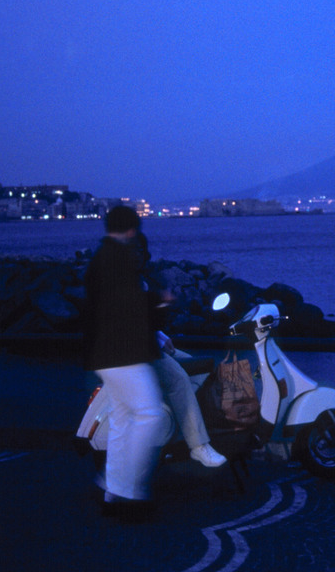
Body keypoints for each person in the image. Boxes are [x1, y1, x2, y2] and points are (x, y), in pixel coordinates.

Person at [81, 207, 222, 522]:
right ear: (131, 230)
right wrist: (159, 301)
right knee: (149, 413)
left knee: (121, 421)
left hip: (104, 356)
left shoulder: (100, 259)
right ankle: (127, 489)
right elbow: (130, 308)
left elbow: (102, 310)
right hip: (126, 355)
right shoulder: (119, 261)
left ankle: (112, 495)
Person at [132, 231, 226, 468]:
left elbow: (144, 318)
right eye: (134, 251)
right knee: (179, 379)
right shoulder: (124, 281)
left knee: (202, 369)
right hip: (136, 351)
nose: (138, 255)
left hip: (147, 344)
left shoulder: (137, 280)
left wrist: (161, 335)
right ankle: (198, 445)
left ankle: (182, 425)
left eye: (140, 251)